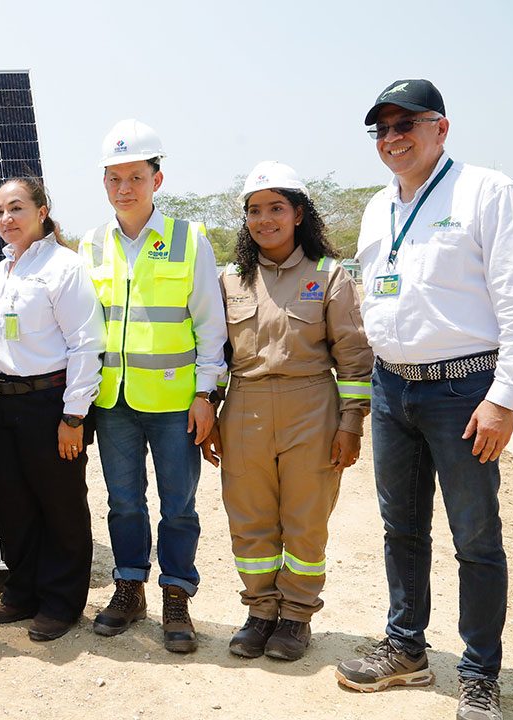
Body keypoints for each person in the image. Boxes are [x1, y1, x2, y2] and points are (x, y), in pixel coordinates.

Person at [335, 79, 513, 720]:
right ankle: (406, 648)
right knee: (401, 528)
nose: (392, 137)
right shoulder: (379, 208)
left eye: (407, 123)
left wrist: (504, 396)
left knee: (476, 537)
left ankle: (480, 673)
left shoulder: (488, 192)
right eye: (381, 128)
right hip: (392, 387)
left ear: (442, 128)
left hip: (463, 390)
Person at [205, 162, 373, 661]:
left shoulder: (328, 275)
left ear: (299, 214)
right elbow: (214, 353)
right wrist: (211, 410)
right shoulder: (230, 278)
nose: (265, 219)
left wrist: (352, 424)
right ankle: (259, 612)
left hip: (311, 408)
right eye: (254, 211)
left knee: (305, 520)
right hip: (246, 409)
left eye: (276, 208)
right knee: (250, 518)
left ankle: (296, 617)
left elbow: (354, 357)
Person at [78, 119, 227, 651]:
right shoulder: (91, 245)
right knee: (122, 502)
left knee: (178, 505)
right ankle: (129, 586)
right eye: (114, 177)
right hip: (113, 401)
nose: (125, 187)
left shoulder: (190, 240)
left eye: (136, 176)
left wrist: (206, 394)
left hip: (175, 403)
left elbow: (211, 325)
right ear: (104, 183)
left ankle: (177, 595)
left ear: (157, 180)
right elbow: (81, 328)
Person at [0, 176, 105, 642]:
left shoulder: (63, 267)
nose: (6, 219)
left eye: (16, 208)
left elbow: (87, 344)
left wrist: (73, 417)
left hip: (50, 404)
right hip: (0, 404)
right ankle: (22, 592)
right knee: (13, 506)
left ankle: (62, 601)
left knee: (61, 505)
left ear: (42, 211)